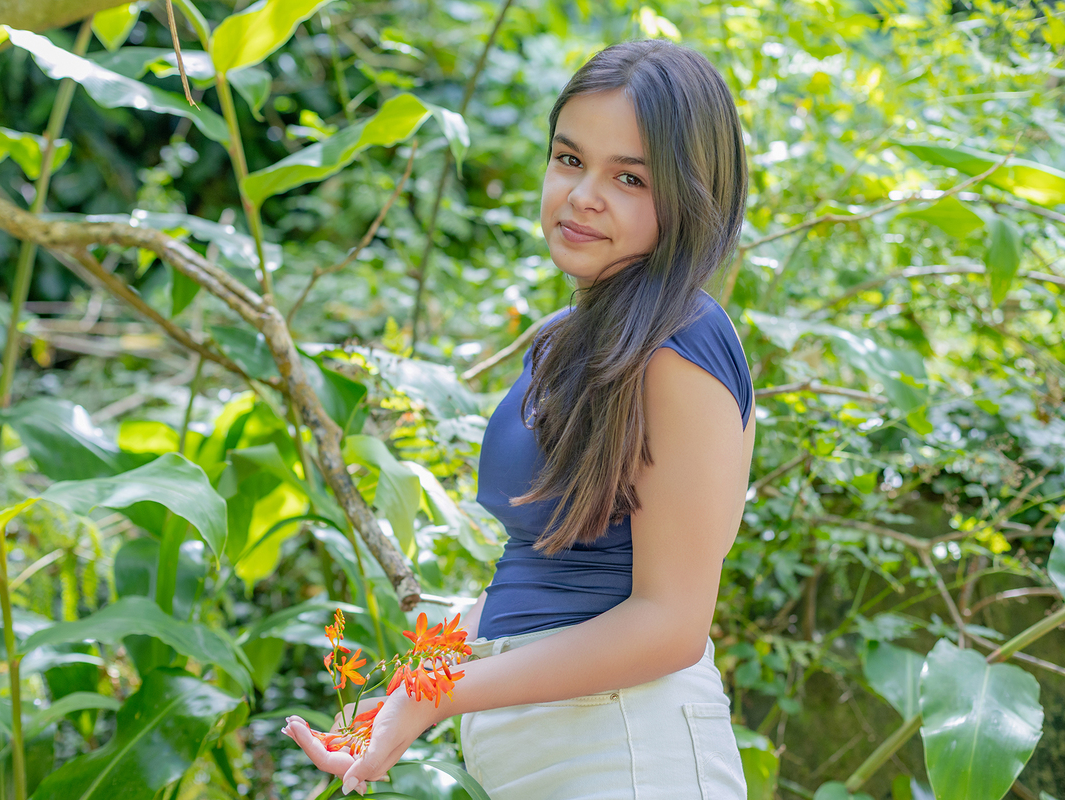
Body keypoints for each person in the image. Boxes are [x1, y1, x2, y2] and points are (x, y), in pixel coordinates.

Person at [285, 38, 755, 799]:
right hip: (560, 753)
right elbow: (546, 576)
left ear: (692, 197)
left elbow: (670, 625)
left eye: (628, 177)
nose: (582, 196)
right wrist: (411, 688)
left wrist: (433, 696)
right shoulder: (570, 344)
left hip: (631, 750)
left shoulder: (681, 345)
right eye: (570, 160)